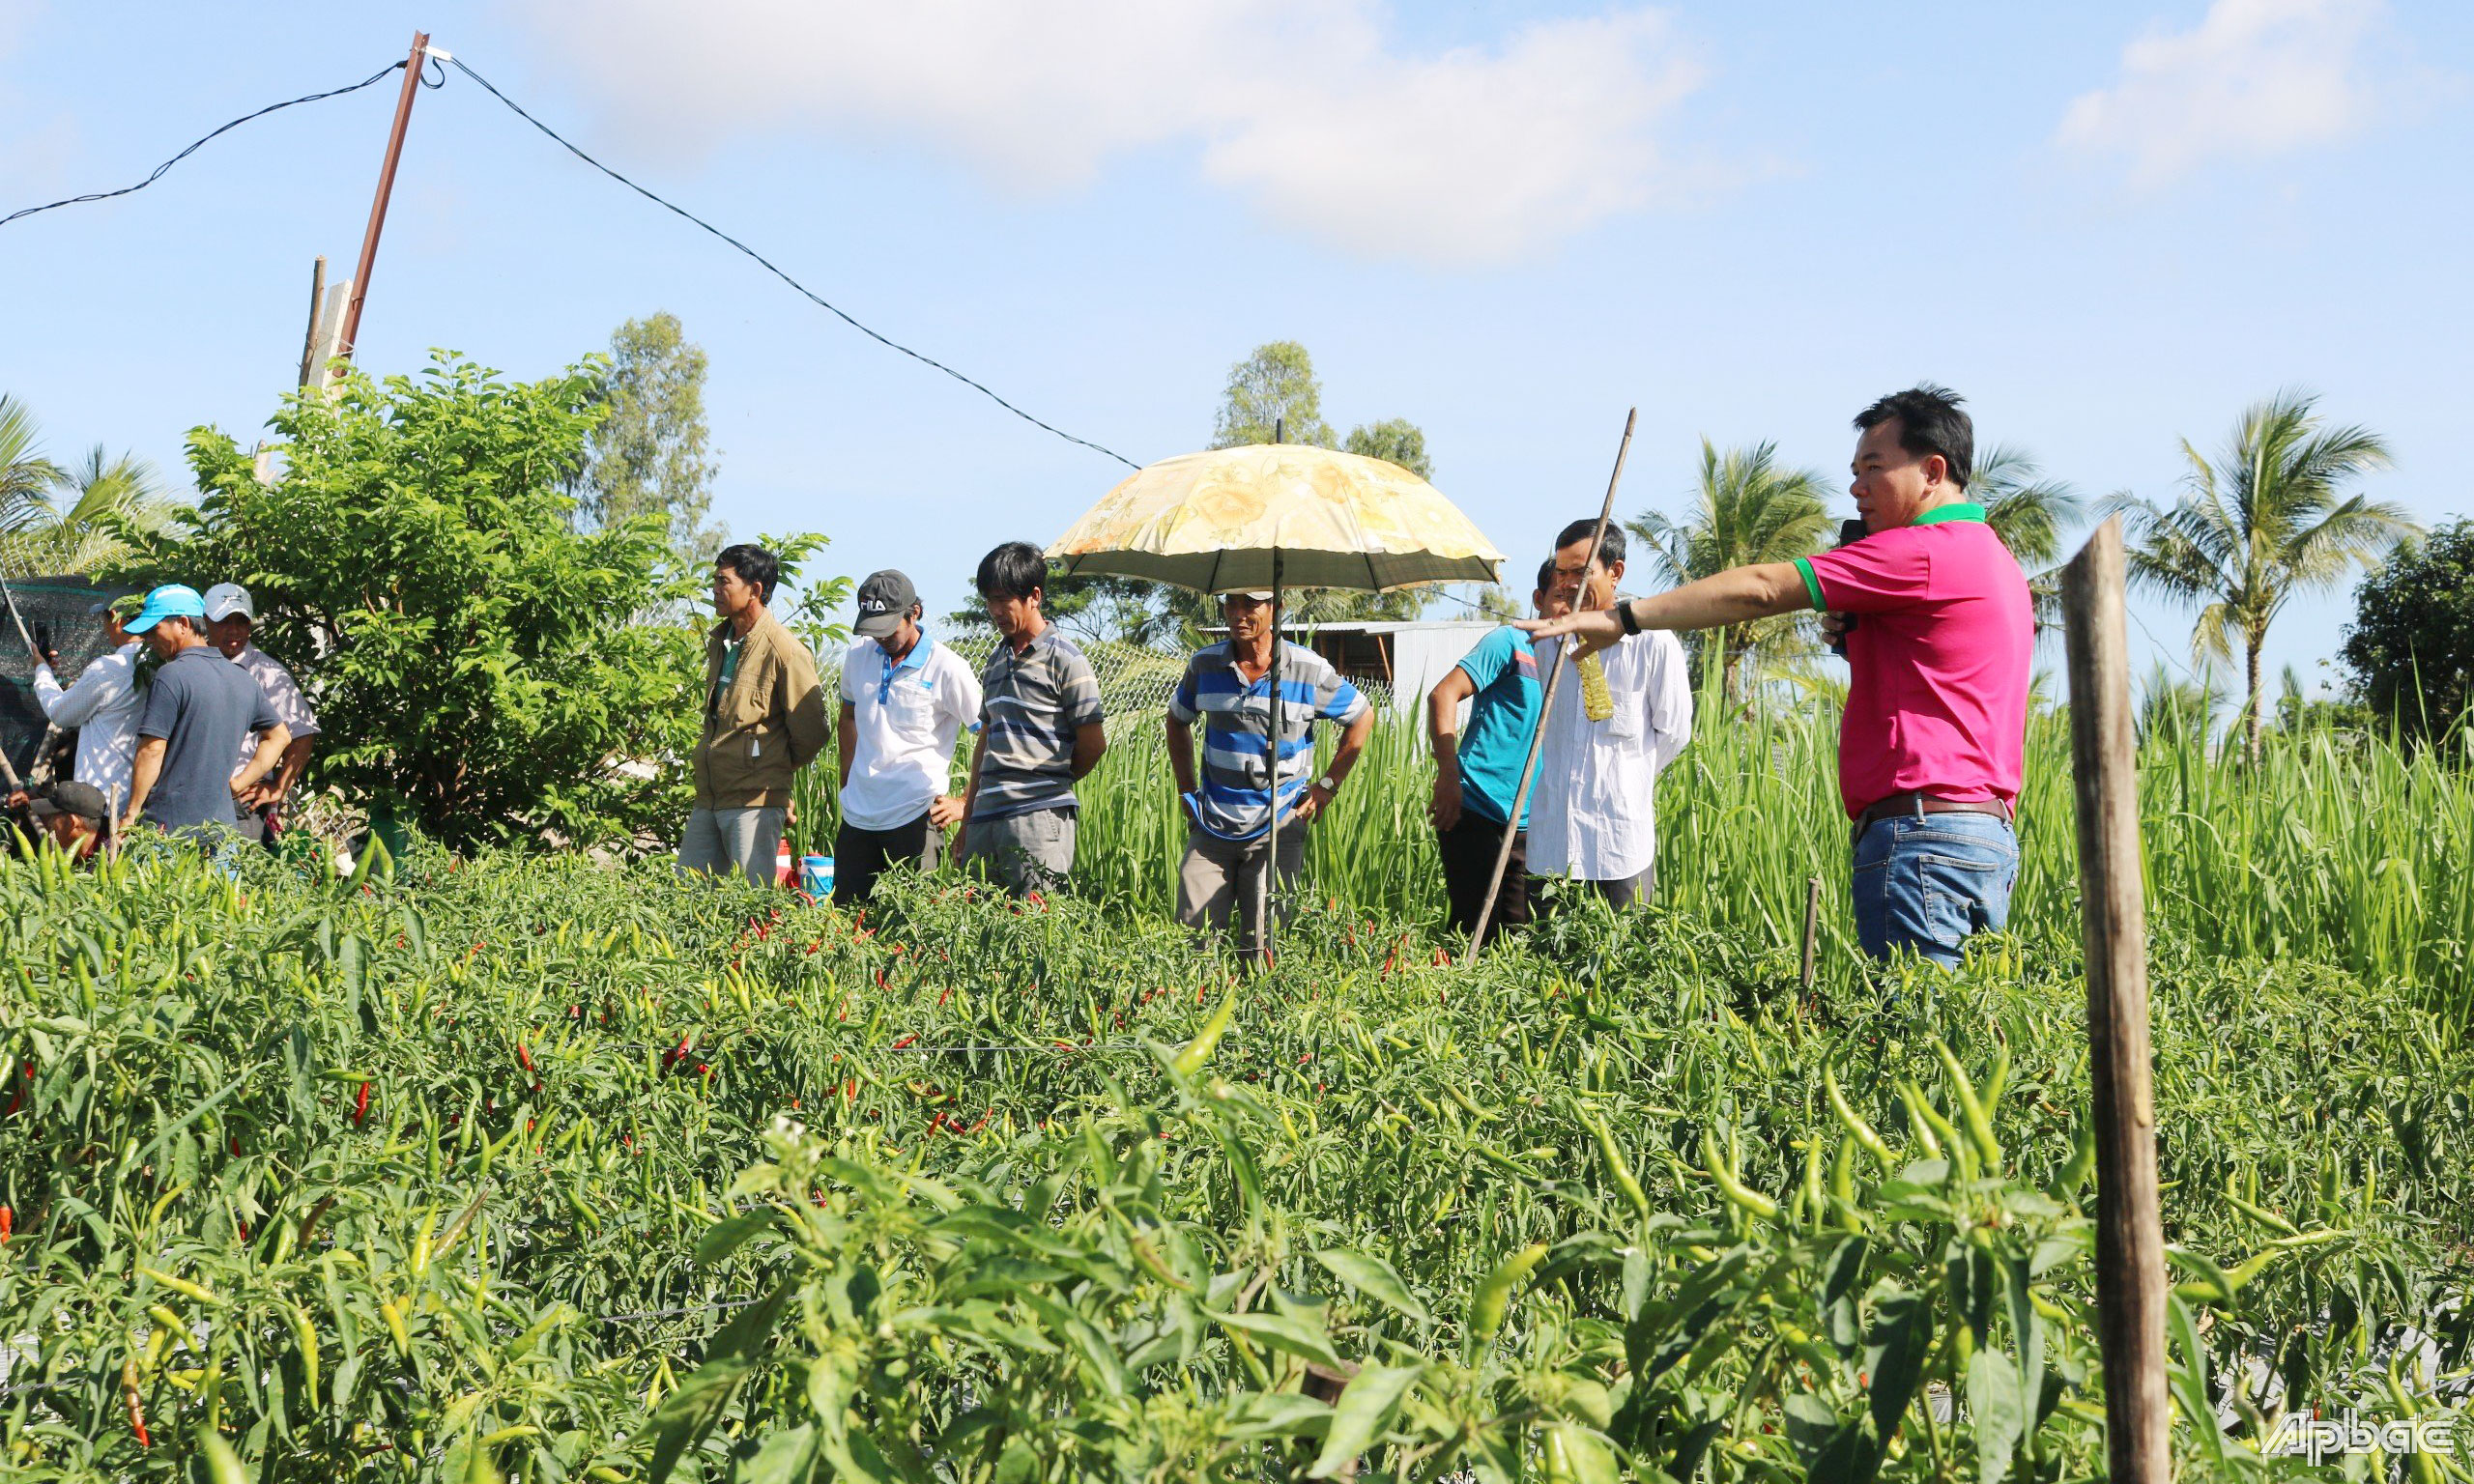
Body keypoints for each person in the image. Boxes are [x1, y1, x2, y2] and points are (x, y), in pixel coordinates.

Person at [1524, 385, 2029, 967]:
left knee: (1918, 1016)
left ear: (1932, 472)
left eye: (1874, 468)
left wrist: (1624, 619)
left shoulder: (1922, 551)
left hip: (1923, 836)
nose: (1857, 487)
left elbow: (1763, 589)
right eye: (1855, 472)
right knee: (1962, 1015)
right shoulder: (1994, 560)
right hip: (1980, 834)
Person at [1166, 589, 1372, 963]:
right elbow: (1176, 719)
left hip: (1277, 827)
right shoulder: (1204, 665)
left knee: (1263, 948)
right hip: (1212, 826)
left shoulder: (1307, 669)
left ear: (1276, 608)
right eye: (1231, 603)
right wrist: (1186, 791)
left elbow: (1362, 715)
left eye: (1251, 604)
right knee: (1193, 945)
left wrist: (1327, 786)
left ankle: (1257, 1000)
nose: (1238, 613)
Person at [1525, 519, 1693, 910]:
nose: (1569, 584)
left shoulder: (1654, 643)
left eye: (1581, 572)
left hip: (1619, 848)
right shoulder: (1549, 644)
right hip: (1551, 847)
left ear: (1615, 572)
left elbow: (1674, 734)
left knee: (1624, 947)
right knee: (1545, 947)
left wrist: (1626, 782)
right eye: (1562, 573)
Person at [1426, 559, 1565, 947]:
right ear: (1538, 599)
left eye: (1579, 598)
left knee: (1524, 938)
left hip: (1536, 822)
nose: (1569, 607)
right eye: (1560, 595)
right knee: (1475, 933)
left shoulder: (1578, 660)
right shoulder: (1511, 643)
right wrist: (1448, 775)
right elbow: (1442, 695)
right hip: (1479, 810)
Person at [956, 542, 1106, 896]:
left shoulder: (1066, 660)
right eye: (988, 601)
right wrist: (968, 818)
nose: (994, 611)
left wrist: (1049, 780)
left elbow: (1094, 744)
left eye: (1002, 600)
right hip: (987, 816)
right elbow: (986, 740)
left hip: (1038, 818)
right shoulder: (995, 661)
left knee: (1038, 920)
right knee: (977, 921)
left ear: (1034, 596)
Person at [681, 544, 830, 888]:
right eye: (715, 580)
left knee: (749, 900)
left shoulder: (785, 650)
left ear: (755, 590)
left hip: (754, 802)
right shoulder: (721, 642)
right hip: (710, 798)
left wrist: (769, 768)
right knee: (688, 895)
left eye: (724, 581)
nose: (714, 589)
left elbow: (813, 731)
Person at [834, 569, 981, 904]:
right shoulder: (857, 657)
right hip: (858, 816)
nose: (880, 638)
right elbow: (847, 717)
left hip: (914, 816)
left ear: (914, 613)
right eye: (873, 629)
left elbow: (987, 734)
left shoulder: (947, 667)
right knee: (849, 918)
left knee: (912, 920)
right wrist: (848, 781)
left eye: (888, 628)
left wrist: (964, 803)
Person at [119, 585, 290, 837]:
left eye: (154, 630)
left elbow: (152, 750)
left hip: (172, 828)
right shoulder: (242, 678)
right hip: (223, 832)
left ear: (183, 624)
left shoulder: (171, 675)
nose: (149, 639)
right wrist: (237, 784)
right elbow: (280, 737)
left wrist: (131, 813)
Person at [203, 584, 321, 844]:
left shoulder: (267, 673)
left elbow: (303, 732)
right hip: (195, 796)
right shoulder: (192, 665)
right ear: (206, 621)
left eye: (242, 621)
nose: (234, 630)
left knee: (237, 870)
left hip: (241, 803)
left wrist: (279, 787)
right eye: (224, 621)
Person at [28, 595, 140, 815]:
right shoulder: (161, 664)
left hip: (101, 801)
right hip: (138, 800)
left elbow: (60, 713)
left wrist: (41, 669)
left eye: (104, 620)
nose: (104, 629)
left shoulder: (109, 669)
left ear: (116, 618)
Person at [24, 781, 111, 862]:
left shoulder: (108, 857)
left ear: (72, 822)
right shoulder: (82, 849)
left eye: (53, 816)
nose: (49, 822)